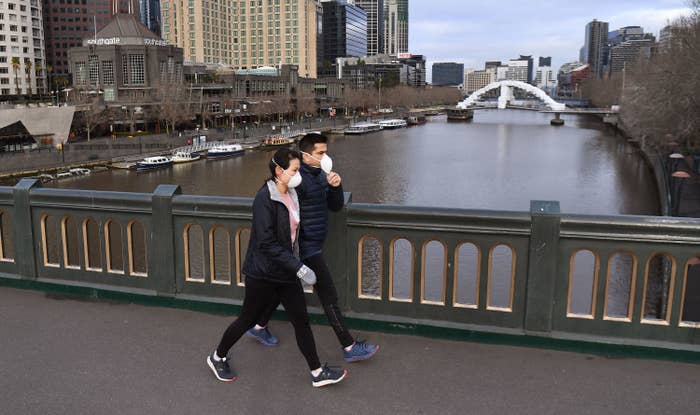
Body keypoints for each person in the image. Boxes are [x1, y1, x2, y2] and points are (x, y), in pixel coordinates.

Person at [207, 148, 347, 387]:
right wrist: (300, 268)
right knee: (247, 320)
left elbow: (321, 203)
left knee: (301, 320)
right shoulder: (264, 199)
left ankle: (316, 373)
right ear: (279, 171)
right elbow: (266, 242)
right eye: (294, 170)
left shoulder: (292, 192)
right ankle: (217, 356)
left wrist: (335, 185)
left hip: (286, 272)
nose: (298, 174)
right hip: (262, 272)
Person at [247, 133, 379, 363]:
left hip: (313, 244)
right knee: (329, 296)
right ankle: (349, 347)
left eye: (325, 152)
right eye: (320, 153)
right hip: (305, 247)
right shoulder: (297, 181)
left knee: (280, 290)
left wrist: (336, 187)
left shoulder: (321, 175)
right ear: (305, 155)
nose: (325, 157)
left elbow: (335, 207)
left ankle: (259, 326)